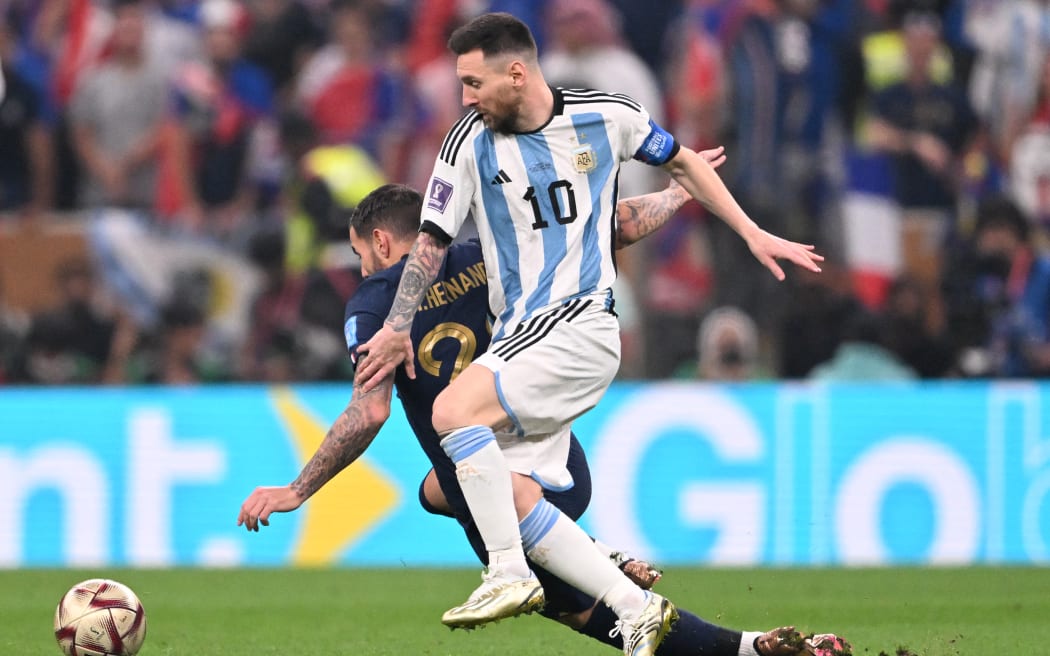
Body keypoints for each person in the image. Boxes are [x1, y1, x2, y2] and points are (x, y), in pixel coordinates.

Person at [352, 13, 824, 656]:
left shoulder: (609, 116)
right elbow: (432, 238)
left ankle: (508, 572)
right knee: (468, 487)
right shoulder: (465, 145)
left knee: (450, 412)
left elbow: (683, 161)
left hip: (576, 323)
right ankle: (638, 607)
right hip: (521, 337)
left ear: (515, 72)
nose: (464, 98)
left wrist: (751, 232)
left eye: (473, 82)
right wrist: (402, 324)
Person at [238, 182, 849, 656]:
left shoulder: (373, 301)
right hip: (560, 466)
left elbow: (370, 410)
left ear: (379, 241)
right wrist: (675, 192)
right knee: (430, 491)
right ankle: (746, 643)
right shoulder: (492, 257)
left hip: (500, 497)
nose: (362, 266)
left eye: (358, 252)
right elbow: (609, 230)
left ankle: (609, 568)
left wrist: (298, 488)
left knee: (587, 609)